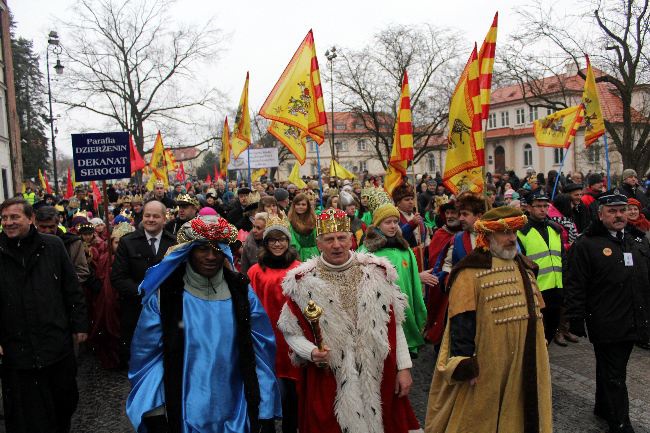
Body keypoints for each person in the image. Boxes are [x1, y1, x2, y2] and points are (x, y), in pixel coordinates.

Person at [126, 215, 281, 432]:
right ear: (189, 250)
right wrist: (155, 412)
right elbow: (147, 358)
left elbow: (261, 353)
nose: (211, 257)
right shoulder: (165, 296)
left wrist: (263, 408)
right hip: (183, 414)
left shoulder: (242, 293)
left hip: (237, 414)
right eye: (202, 249)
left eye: (217, 249)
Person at [278, 208, 421, 433]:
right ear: (319, 243)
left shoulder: (377, 272)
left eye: (341, 238)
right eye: (329, 239)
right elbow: (290, 330)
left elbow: (395, 325)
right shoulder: (302, 282)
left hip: (378, 371)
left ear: (352, 240)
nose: (336, 245)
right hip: (329, 376)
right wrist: (311, 352)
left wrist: (404, 368)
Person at [425, 206, 552, 433]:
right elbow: (461, 321)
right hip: (489, 361)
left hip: (525, 356)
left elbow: (537, 311)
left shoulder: (524, 266)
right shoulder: (469, 272)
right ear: (487, 236)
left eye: (513, 232)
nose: (511, 238)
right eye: (504, 233)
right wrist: (465, 364)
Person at [565, 190, 650, 433]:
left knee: (612, 367)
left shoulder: (636, 239)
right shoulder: (587, 243)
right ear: (600, 214)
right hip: (605, 319)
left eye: (622, 210)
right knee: (615, 374)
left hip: (634, 316)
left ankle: (603, 407)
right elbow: (575, 283)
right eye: (612, 211)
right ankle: (620, 423)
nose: (619, 215)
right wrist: (575, 318)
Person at [0, 198, 88, 433]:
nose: (8, 222)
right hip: (17, 349)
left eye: (14, 217)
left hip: (55, 344)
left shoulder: (53, 246)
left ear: (30, 219)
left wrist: (80, 324)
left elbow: (71, 287)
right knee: (26, 414)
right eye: (4, 218)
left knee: (63, 404)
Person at [247, 215, 301, 433]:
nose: (277, 244)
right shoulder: (255, 271)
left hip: (292, 340)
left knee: (292, 393)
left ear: (288, 242)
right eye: (272, 240)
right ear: (266, 243)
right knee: (267, 389)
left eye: (281, 239)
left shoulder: (299, 269)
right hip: (264, 340)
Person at [358, 193, 428, 355]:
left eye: (395, 222)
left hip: (405, 310)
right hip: (380, 311)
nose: (393, 226)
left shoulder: (405, 251)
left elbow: (413, 284)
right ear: (377, 225)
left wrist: (419, 309)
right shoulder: (366, 252)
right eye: (387, 222)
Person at [111, 200, 176, 367]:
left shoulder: (175, 243)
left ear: (164, 218)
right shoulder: (127, 242)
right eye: (147, 215)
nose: (151, 219)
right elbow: (118, 278)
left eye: (156, 216)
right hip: (135, 310)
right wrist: (143, 291)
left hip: (168, 310)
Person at [517, 190, 564, 345]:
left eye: (545, 206)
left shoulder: (555, 229)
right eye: (538, 206)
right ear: (529, 208)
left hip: (556, 288)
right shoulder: (521, 232)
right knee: (536, 334)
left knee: (550, 330)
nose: (543, 209)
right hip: (536, 290)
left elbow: (562, 258)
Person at [424, 199, 461, 345]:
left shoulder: (467, 234)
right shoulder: (440, 234)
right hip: (443, 285)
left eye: (454, 212)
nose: (450, 216)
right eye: (447, 212)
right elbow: (435, 263)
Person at [34, 205, 92, 285]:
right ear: (36, 223)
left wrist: (61, 283)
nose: (47, 231)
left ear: (57, 223)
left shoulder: (73, 243)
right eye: (43, 227)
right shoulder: (28, 242)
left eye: (51, 227)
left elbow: (82, 272)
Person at [287, 193, 320, 261]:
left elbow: (319, 237)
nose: (300, 207)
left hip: (316, 253)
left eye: (303, 204)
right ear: (294, 206)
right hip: (298, 255)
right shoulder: (290, 222)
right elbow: (293, 242)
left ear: (308, 206)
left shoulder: (315, 220)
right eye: (298, 204)